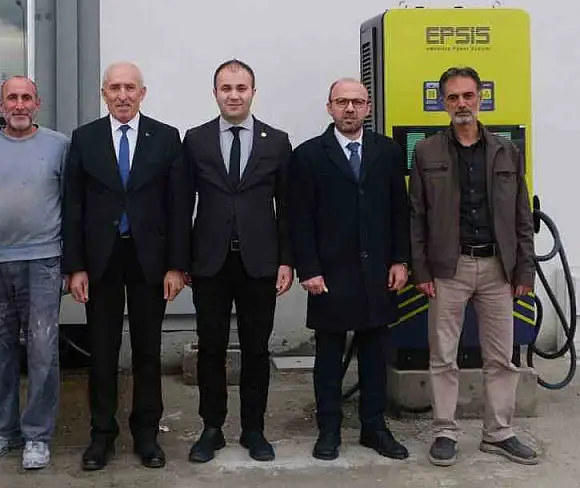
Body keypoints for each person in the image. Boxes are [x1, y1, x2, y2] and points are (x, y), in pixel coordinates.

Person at [62, 61, 193, 471]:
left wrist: (177, 266)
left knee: (147, 350)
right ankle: (102, 435)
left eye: (129, 88)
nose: (122, 95)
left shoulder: (166, 138)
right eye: (115, 88)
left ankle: (147, 435)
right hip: (100, 260)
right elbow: (72, 206)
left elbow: (179, 206)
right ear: (104, 93)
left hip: (149, 260)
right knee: (102, 351)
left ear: (142, 93)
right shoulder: (85, 138)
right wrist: (75, 267)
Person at [408, 65, 539, 467]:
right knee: (443, 356)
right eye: (453, 97)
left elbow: (522, 215)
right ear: (443, 103)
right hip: (448, 268)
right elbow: (416, 216)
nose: (461, 103)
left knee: (501, 357)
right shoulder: (426, 152)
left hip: (498, 268)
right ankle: (444, 431)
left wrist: (525, 270)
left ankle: (498, 433)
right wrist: (421, 271)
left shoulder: (506, 151)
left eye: (468, 96)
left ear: (480, 99)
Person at [289, 78, 411, 462]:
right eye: (341, 102)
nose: (349, 109)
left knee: (375, 354)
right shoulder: (308, 155)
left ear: (368, 107)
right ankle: (329, 429)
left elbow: (399, 210)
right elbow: (299, 219)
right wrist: (308, 269)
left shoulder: (388, 152)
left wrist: (401, 260)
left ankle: (374, 427)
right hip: (329, 273)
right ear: (329, 107)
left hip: (377, 271)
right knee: (328, 357)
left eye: (357, 102)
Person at [182, 59, 293, 463]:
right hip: (210, 263)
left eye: (241, 88)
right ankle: (211, 429)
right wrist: (182, 260)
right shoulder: (195, 140)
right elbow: (182, 203)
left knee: (256, 349)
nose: (234, 95)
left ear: (253, 92)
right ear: (215, 93)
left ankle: (253, 429)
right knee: (211, 348)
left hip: (259, 263)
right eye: (226, 88)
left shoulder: (276, 141)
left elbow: (288, 207)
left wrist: (287, 260)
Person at [0, 76, 70, 471]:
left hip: (44, 261)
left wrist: (71, 264)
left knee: (42, 350)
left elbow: (71, 207)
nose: (19, 105)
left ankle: (37, 436)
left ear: (37, 103)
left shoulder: (59, 146)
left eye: (26, 98)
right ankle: (2, 430)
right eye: (12, 98)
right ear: (1, 104)